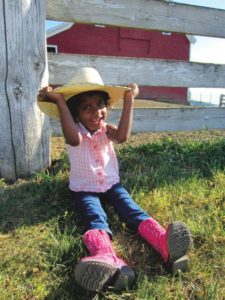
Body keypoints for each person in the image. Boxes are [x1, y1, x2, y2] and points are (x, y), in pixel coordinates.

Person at [38, 67, 192, 292]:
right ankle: (106, 258)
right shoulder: (76, 132)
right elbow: (71, 138)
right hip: (85, 190)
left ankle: (165, 243)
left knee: (132, 210)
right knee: (95, 217)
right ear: (75, 115)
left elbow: (122, 136)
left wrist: (129, 100)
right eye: (86, 108)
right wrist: (60, 101)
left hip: (112, 184)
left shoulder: (106, 129)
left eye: (100, 105)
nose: (96, 113)